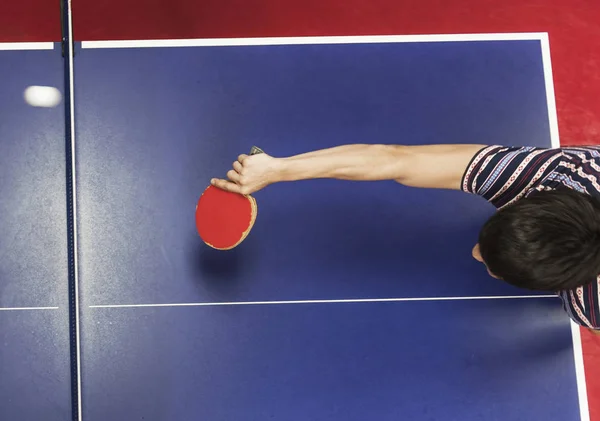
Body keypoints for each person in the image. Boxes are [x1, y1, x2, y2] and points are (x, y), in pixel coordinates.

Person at [211, 143, 600, 334]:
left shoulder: (590, 307)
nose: (474, 253)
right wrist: (280, 169)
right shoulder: (554, 173)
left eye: (494, 268)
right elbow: (397, 160)